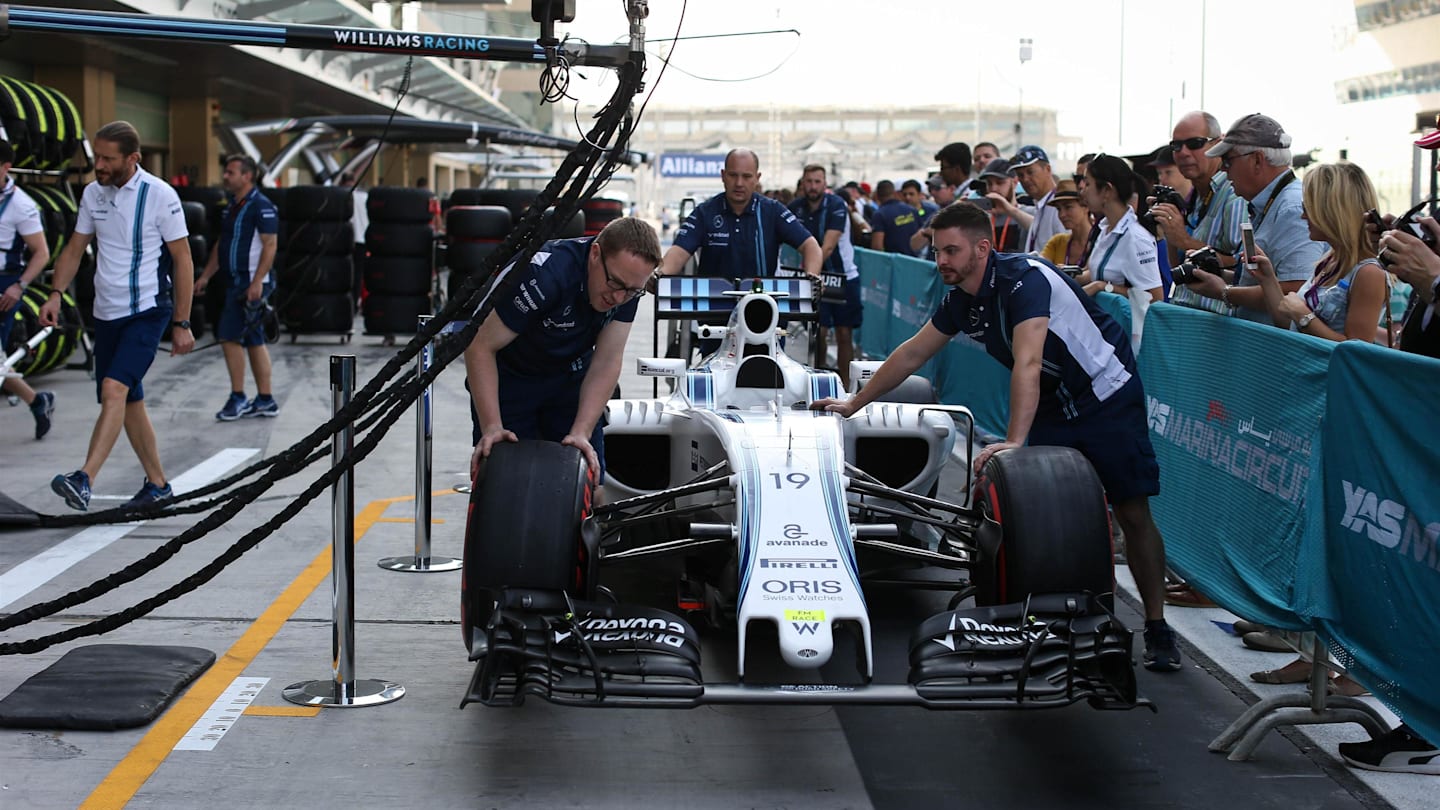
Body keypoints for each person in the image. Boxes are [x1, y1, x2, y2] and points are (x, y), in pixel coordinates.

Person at [812, 202, 1182, 673]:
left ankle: (1156, 626)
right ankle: (1054, 621)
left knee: (1131, 511)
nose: (941, 259)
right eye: (938, 250)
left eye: (952, 250)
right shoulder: (963, 296)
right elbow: (911, 354)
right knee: (1045, 515)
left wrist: (1013, 442)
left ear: (983, 248)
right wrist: (853, 403)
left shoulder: (1027, 279)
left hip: (1104, 395)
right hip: (1053, 401)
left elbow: (1028, 361)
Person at [41, 121, 195, 511]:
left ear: (133, 158)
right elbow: (75, 248)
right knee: (128, 402)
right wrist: (55, 294)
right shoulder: (92, 193)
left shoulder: (160, 195)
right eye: (97, 157)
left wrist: (182, 322)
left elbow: (182, 260)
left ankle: (84, 478)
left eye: (108, 159)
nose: (99, 165)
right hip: (106, 313)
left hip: (147, 310)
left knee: (114, 390)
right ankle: (158, 486)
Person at [466, 217, 661, 480]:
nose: (618, 297)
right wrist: (492, 426)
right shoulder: (544, 275)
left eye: (631, 291)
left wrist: (582, 431)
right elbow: (479, 346)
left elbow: (607, 360)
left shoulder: (627, 287)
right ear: (595, 254)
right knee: (505, 481)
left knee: (588, 479)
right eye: (614, 283)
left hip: (570, 376)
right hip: (510, 378)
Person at [1184, 114, 1326, 324]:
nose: (1222, 169)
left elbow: (1295, 292)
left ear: (1257, 160)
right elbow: (1266, 280)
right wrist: (1220, 275)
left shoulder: (1292, 208)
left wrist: (1224, 291)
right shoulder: (1269, 203)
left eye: (1227, 160)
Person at [1248, 163, 1388, 341]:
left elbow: (1356, 351)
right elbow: (1288, 324)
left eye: (1307, 208)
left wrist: (1303, 315)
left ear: (1331, 212)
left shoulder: (1368, 273)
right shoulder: (1329, 260)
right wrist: (1267, 278)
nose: (1302, 216)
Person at [195, 154, 281, 421]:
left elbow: (270, 245)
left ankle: (239, 396)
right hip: (233, 282)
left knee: (228, 336)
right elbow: (222, 243)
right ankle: (265, 399)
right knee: (254, 340)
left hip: (250, 285)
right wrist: (206, 276)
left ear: (247, 176)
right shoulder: (231, 206)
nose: (225, 176)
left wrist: (256, 283)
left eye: (231, 172)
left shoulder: (262, 206)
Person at [659, 149, 821, 283]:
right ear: (723, 175)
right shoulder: (705, 212)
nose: (739, 183)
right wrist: (660, 275)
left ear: (757, 179)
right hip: (712, 311)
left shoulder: (773, 211)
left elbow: (811, 246)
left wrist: (812, 278)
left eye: (746, 176)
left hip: (761, 309)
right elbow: (678, 251)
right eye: (733, 175)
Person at [1149, 112, 1249, 316]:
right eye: (1176, 146)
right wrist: (1169, 229)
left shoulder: (1234, 194)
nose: (1183, 153)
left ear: (1218, 144)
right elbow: (1176, 266)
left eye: (1194, 143)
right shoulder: (1193, 195)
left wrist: (1184, 240)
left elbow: (1242, 267)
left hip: (1217, 322)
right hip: (1186, 311)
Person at [1075, 155, 1162, 351]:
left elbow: (1155, 298)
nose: (1082, 189)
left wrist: (1102, 287)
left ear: (1106, 190)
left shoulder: (1136, 238)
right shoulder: (1104, 229)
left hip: (1129, 344)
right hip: (1104, 336)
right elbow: (1098, 272)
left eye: (1088, 183)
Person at [0, 139, 55, 439]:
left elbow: (42, 253)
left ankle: (38, 401)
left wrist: (19, 287)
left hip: (5, 287)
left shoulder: (22, 206)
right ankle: (37, 401)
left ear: (6, 167)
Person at [790, 164, 861, 387]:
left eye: (817, 181)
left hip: (843, 277)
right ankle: (818, 381)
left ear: (825, 183)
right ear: (803, 183)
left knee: (843, 333)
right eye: (808, 181)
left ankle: (847, 384)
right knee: (817, 333)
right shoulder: (796, 207)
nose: (812, 186)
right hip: (813, 277)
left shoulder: (836, 205)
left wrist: (811, 273)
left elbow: (828, 247)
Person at [1010, 145, 1065, 253]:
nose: (1025, 179)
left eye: (1030, 172)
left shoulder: (1059, 207)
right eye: (1020, 175)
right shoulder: (1041, 205)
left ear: (1048, 169)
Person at [1038, 179, 1089, 270]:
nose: (1062, 215)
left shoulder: (1100, 242)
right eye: (1058, 209)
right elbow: (1041, 267)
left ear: (1086, 207)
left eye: (1068, 207)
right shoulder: (1057, 242)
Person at [978, 158, 1027, 252]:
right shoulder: (983, 218)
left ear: (1015, 182)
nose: (994, 188)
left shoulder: (1028, 213)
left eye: (1000, 182)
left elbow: (1038, 228)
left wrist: (1010, 210)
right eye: (989, 183)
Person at [871, 179, 929, 256]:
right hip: (915, 260)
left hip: (895, 262)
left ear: (877, 196)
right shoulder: (912, 210)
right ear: (894, 193)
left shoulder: (880, 214)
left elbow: (877, 247)